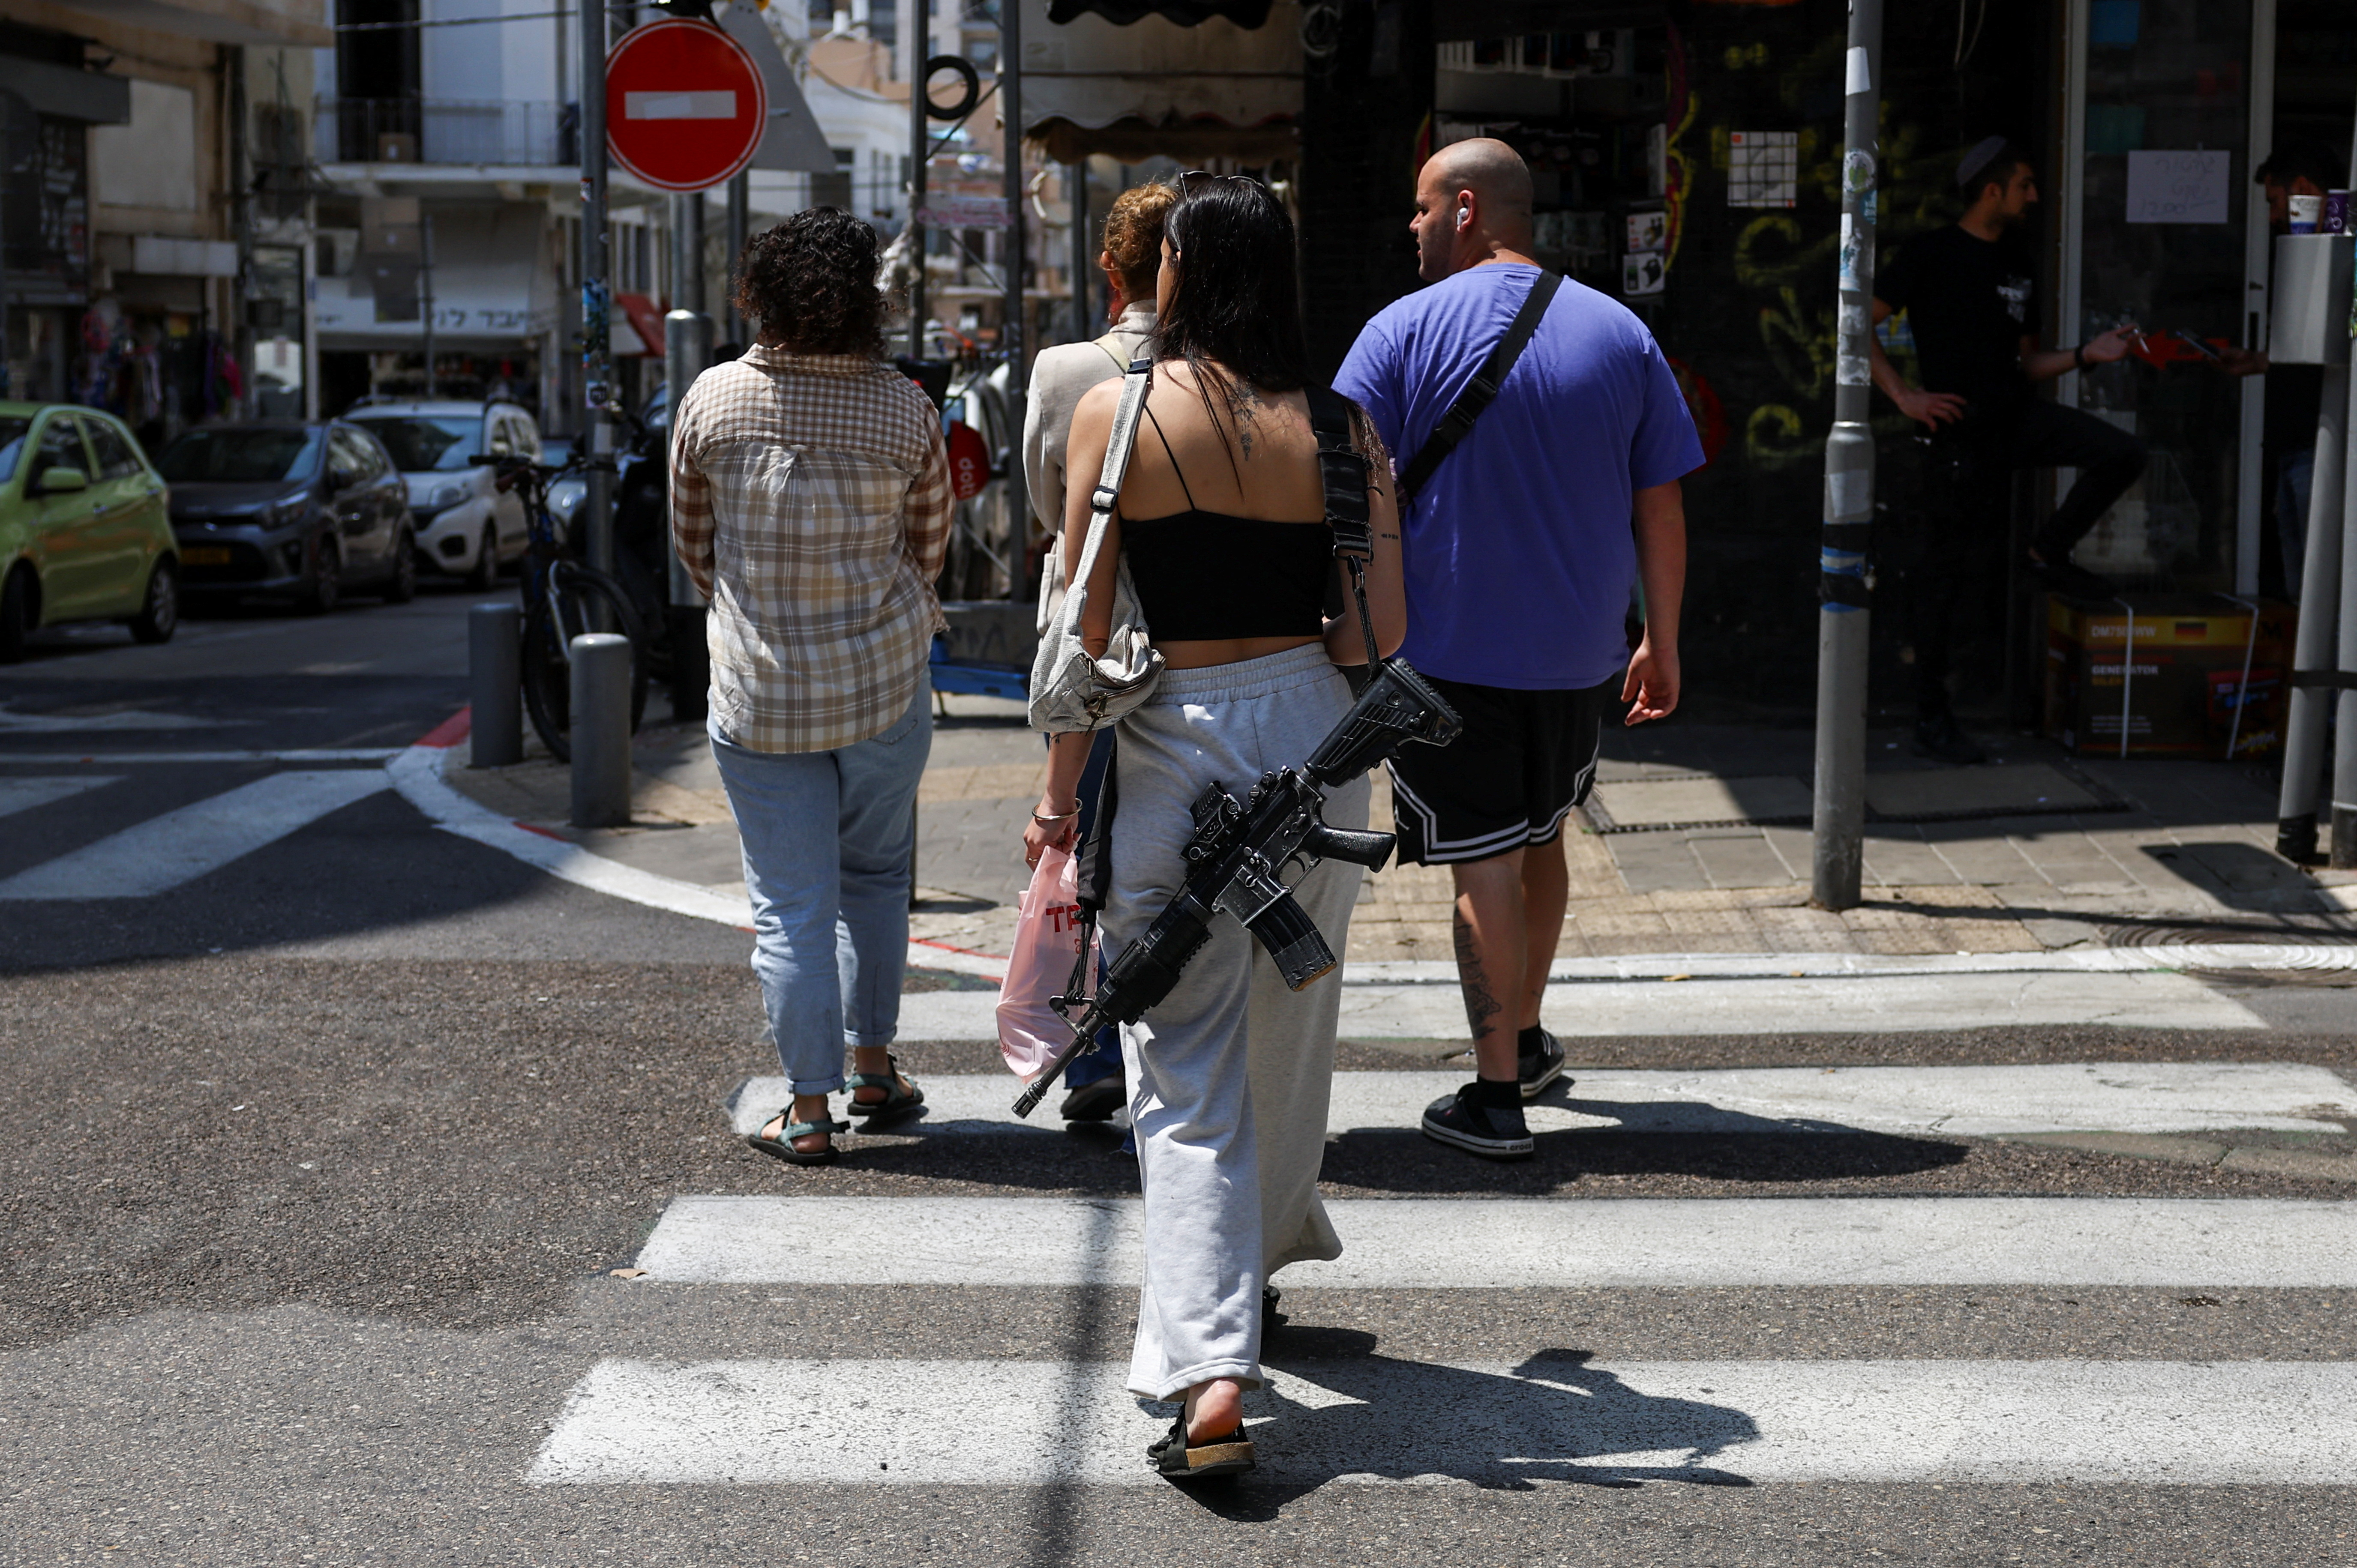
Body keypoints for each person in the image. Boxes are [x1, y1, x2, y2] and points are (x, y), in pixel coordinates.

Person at [1022, 171, 1405, 1477]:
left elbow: (1084, 640)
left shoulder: (1109, 417)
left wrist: (1056, 799)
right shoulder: (1346, 429)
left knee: (1180, 1065)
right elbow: (1378, 639)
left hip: (1166, 738)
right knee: (1291, 1030)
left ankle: (1209, 1371)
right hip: (1314, 739)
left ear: (1175, 270)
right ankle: (1254, 1278)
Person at [1334, 138, 1699, 1162]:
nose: (1407, 227)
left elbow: (1346, 499)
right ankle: (1527, 1037)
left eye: (1416, 209)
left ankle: (1495, 1096)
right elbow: (1659, 501)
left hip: (1447, 651)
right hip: (1582, 651)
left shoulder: (1395, 334)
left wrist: (1345, 632)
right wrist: (1658, 639)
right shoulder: (1621, 333)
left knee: (1479, 857)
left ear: (1461, 208)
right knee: (1542, 832)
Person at [671, 207, 952, 1167]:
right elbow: (930, 549)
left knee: (789, 905)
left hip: (760, 695)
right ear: (867, 301)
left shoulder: (711, 403)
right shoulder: (906, 407)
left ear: (760, 295)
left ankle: (809, 1107)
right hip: (881, 685)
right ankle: (874, 1063)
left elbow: (695, 552)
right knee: (875, 880)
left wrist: (759, 611)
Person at [1870, 136, 2145, 764]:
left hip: (2015, 418)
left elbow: (2027, 363)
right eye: (2024, 185)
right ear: (1991, 190)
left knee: (2123, 453)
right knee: (1949, 580)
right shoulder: (1932, 254)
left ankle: (2046, 550)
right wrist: (1906, 397)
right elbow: (1856, 325)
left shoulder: (2018, 264)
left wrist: (2086, 355)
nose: (2034, 197)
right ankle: (1932, 717)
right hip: (1957, 433)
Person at [1018, 179, 1178, 1125]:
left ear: (1109, 270)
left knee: (1085, 846)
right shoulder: (1230, 367)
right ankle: (1172, 1042)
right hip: (1203, 641)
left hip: (1100, 634)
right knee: (1175, 851)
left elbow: (1053, 511)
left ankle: (1090, 1058)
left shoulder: (1065, 369)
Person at [2212, 139, 2348, 600]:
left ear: (2304, 189)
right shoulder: (2306, 251)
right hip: (2296, 445)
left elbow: (2342, 340)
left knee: (2322, 591)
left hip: (2324, 445)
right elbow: (2315, 343)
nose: (2272, 217)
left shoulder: (2342, 245)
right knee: (2302, 590)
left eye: (2276, 202)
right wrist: (2261, 360)